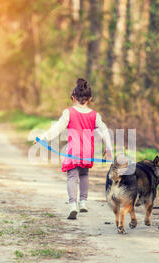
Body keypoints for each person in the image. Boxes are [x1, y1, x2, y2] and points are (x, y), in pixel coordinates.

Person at [36, 78, 113, 219]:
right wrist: (108, 147)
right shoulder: (95, 115)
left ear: (73, 97)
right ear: (90, 99)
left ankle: (73, 204)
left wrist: (44, 137)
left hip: (73, 151)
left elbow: (57, 128)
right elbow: (104, 131)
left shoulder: (69, 112)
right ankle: (83, 201)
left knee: (72, 176)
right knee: (84, 175)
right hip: (88, 151)